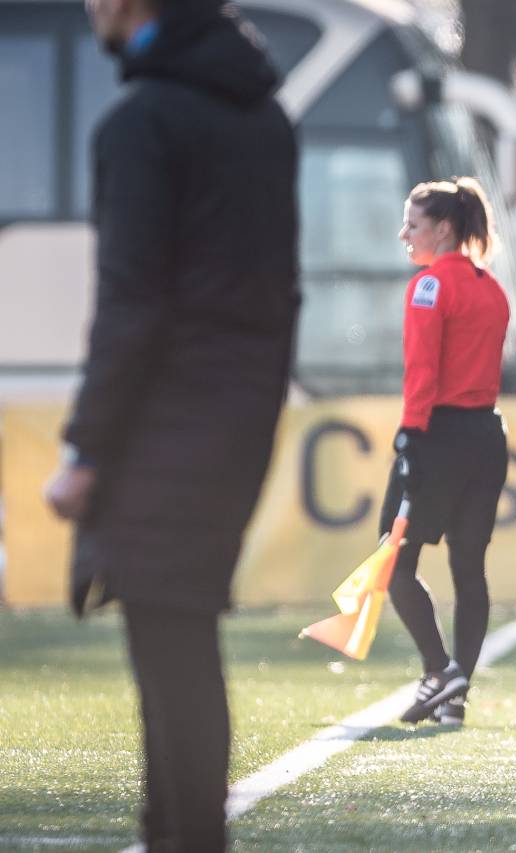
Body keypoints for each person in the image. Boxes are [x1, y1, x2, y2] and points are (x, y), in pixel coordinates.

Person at [42, 0, 297, 848]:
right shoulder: (266, 121)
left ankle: (182, 835)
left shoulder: (141, 123)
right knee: (182, 638)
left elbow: (131, 303)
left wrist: (86, 447)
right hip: (238, 418)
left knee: (169, 650)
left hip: (164, 422)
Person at [381, 178, 511, 727]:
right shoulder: (493, 289)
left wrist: (410, 436)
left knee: (393, 559)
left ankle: (439, 671)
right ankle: (455, 697)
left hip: (438, 436)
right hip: (487, 437)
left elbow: (423, 370)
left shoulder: (430, 286)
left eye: (413, 224)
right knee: (469, 568)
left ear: (443, 228)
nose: (404, 234)